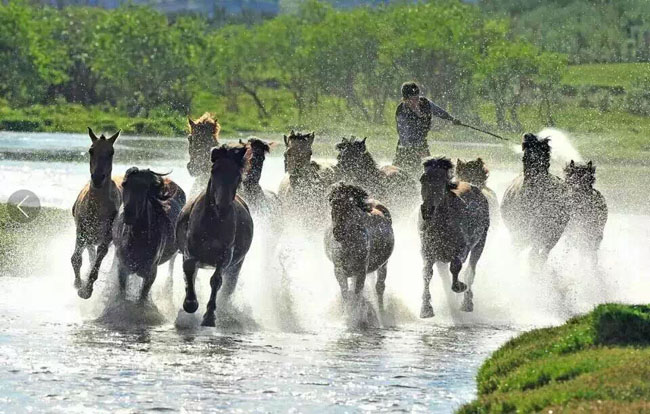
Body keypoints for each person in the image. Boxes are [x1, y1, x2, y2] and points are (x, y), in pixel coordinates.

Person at [394, 81, 461, 175]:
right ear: (405, 99)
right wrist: (412, 150)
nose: (415, 101)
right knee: (399, 172)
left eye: (416, 98)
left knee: (430, 171)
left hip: (422, 143)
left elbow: (439, 111)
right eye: (412, 99)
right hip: (405, 147)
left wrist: (451, 119)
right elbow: (403, 134)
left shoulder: (425, 103)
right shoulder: (401, 111)